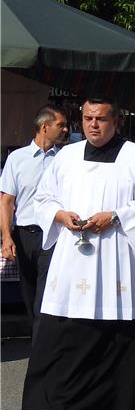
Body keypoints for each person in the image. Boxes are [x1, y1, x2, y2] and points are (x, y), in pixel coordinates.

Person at [23, 97, 135, 410]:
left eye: (101, 118)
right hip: (73, 259)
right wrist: (60, 215)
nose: (93, 125)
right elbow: (44, 197)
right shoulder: (67, 156)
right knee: (61, 332)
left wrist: (114, 216)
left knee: (113, 336)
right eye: (87, 118)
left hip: (115, 257)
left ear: (115, 121)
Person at [0, 105, 69, 334]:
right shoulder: (17, 159)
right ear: (45, 126)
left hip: (53, 233)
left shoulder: (65, 159)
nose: (66, 129)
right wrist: (7, 236)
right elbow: (7, 200)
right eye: (61, 125)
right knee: (28, 291)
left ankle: (44, 342)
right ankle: (38, 337)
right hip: (24, 234)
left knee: (47, 290)